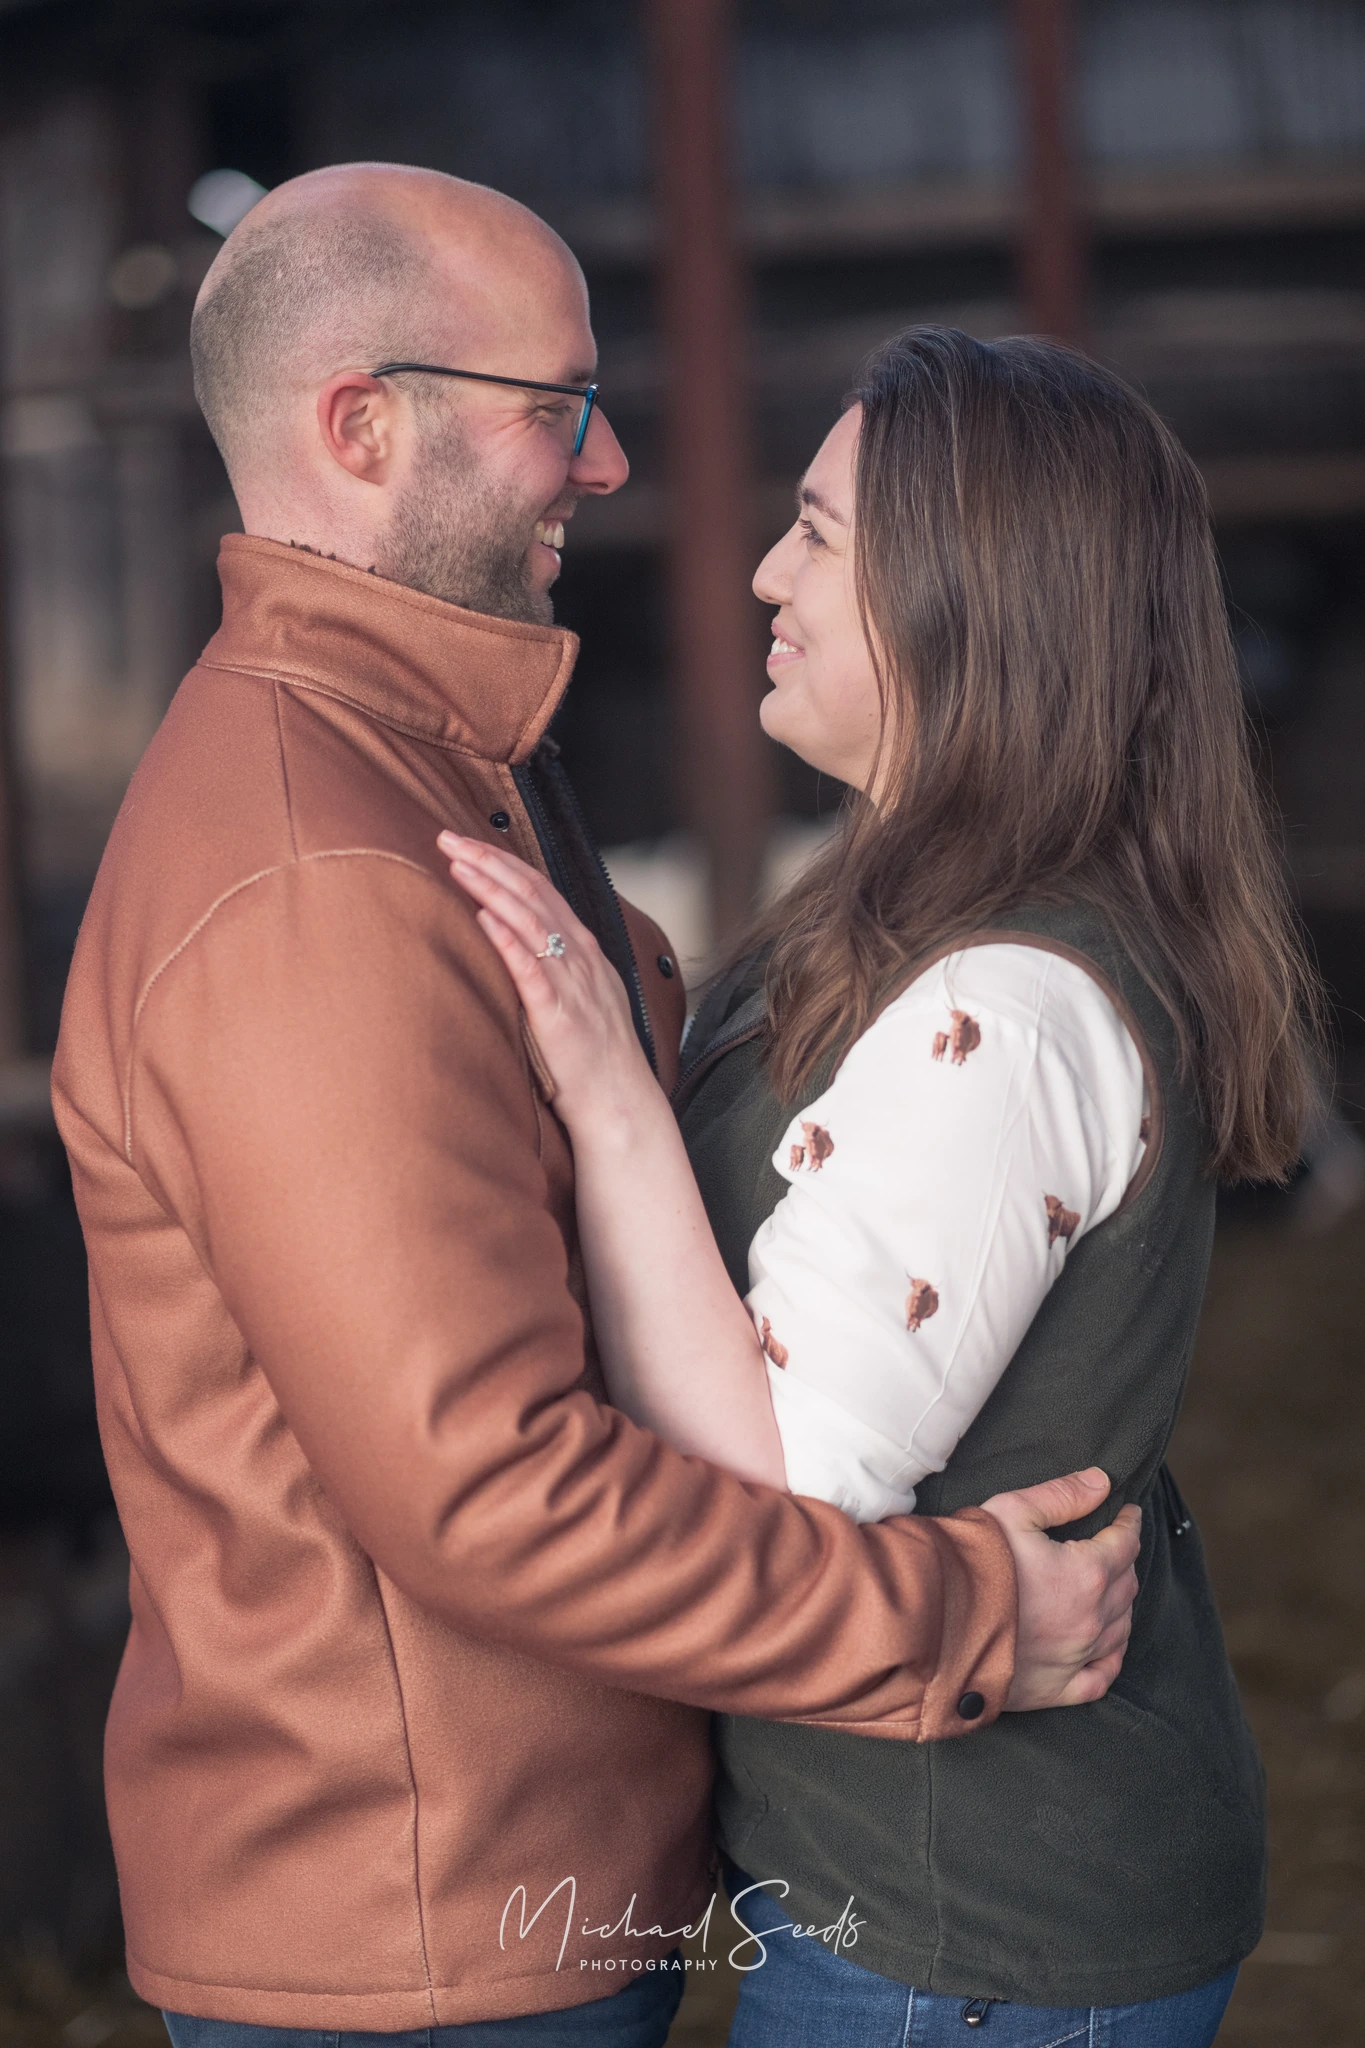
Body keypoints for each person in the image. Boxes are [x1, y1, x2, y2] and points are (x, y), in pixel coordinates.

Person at [51, 172, 1141, 2048]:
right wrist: (958, 1623)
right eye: (556, 406)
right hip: (420, 1933)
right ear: (363, 425)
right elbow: (485, 1485)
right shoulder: (323, 875)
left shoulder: (434, 765)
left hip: (509, 1883)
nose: (613, 459)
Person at [444, 327, 1324, 2046]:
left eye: (822, 532)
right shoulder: (893, 907)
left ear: (965, 598)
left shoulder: (1007, 1005)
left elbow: (783, 1503)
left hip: (969, 1931)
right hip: (906, 1876)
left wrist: (614, 1105)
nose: (770, 570)